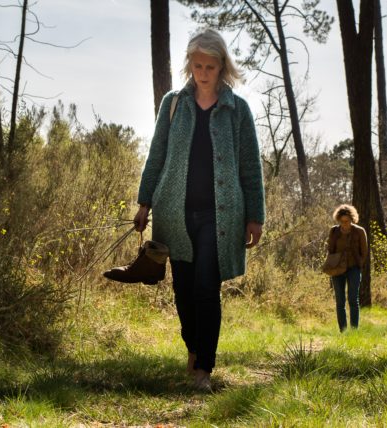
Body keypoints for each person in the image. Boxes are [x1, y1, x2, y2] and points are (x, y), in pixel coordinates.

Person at [133, 28, 265, 391]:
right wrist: (145, 202)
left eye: (210, 66)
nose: (203, 72)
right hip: (175, 212)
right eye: (197, 65)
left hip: (221, 217)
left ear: (223, 67)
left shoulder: (237, 110)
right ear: (190, 65)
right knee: (184, 291)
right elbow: (156, 154)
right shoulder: (174, 103)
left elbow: (250, 166)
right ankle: (193, 348)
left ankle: (204, 367)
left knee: (207, 287)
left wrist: (256, 216)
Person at [327, 204, 368, 332]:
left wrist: (359, 265)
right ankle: (343, 331)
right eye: (342, 221)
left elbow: (364, 251)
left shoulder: (360, 231)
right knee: (340, 301)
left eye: (347, 221)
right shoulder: (334, 231)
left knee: (353, 299)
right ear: (338, 219)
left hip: (353, 269)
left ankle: (354, 330)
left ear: (352, 219)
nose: (344, 224)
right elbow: (330, 250)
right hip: (337, 269)